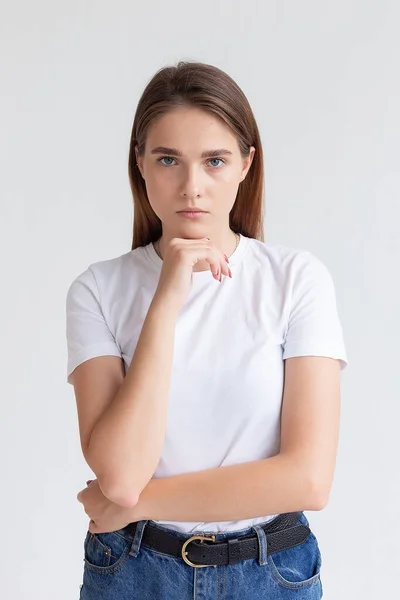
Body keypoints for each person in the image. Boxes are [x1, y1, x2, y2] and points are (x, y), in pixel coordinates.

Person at [66, 61, 348, 599]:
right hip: (133, 570)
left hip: (272, 574)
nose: (191, 187)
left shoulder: (296, 280)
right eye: (168, 159)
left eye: (214, 161)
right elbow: (121, 476)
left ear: (246, 164)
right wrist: (169, 295)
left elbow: (308, 479)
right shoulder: (98, 291)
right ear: (140, 163)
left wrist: (143, 502)